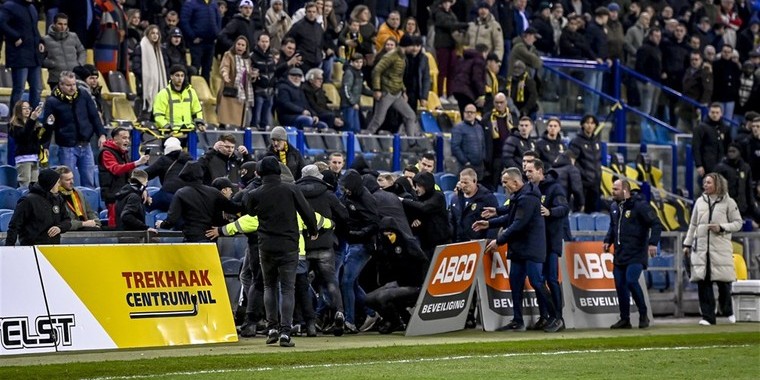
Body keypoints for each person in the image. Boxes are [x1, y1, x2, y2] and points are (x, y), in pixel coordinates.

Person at [474, 167, 558, 332]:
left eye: (505, 182)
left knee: (537, 282)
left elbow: (518, 224)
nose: (504, 185)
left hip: (532, 248)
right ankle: (518, 320)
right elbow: (511, 217)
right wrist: (490, 223)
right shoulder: (520, 196)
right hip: (519, 248)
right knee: (515, 283)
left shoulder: (527, 198)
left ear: (515, 181)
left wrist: (499, 241)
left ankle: (556, 317)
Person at [245, 156, 318, 347]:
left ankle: (272, 329)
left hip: (266, 245)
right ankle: (286, 332)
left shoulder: (256, 193)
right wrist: (313, 230)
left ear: (259, 173)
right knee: (287, 288)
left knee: (269, 286)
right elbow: (307, 212)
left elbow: (250, 211)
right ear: (279, 171)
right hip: (289, 245)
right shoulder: (291, 189)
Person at [683, 173, 743, 325]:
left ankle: (728, 311)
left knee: (723, 283)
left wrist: (721, 227)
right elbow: (693, 225)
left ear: (718, 184)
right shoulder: (699, 202)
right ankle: (708, 317)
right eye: (704, 183)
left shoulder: (729, 202)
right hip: (701, 250)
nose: (705, 185)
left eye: (709, 183)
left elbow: (738, 223)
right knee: (703, 282)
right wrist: (687, 244)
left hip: (720, 249)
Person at [295, 165, 349, 336]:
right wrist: (331, 227)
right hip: (325, 245)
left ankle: (302, 322)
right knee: (330, 282)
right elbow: (344, 215)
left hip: (303, 246)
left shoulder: (295, 193)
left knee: (301, 285)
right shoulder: (328, 194)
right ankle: (339, 312)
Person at [603, 179, 662, 329]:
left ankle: (643, 314)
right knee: (620, 286)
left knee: (631, 281)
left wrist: (653, 243)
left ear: (625, 191)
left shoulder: (640, 206)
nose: (612, 191)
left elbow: (656, 223)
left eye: (615, 189)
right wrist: (607, 241)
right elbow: (613, 226)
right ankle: (625, 319)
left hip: (636, 253)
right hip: (620, 253)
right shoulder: (614, 207)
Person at [42, 71, 108, 188]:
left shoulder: (83, 94)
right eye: (68, 85)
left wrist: (102, 134)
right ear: (61, 85)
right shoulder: (52, 101)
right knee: (67, 182)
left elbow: (94, 116)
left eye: (74, 84)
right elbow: (48, 125)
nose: (72, 88)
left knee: (89, 180)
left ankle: (87, 203)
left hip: (86, 145)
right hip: (67, 147)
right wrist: (45, 146)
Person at [524, 160, 568, 331]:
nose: (527, 174)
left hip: (551, 241)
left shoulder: (554, 188)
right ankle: (545, 317)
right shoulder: (529, 189)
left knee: (551, 279)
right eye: (525, 171)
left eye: (530, 171)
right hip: (537, 243)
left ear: (540, 171)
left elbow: (564, 208)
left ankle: (558, 317)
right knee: (539, 280)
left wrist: (551, 212)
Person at [366, 216, 430, 334]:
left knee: (383, 297)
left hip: (415, 284)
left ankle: (395, 322)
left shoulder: (407, 242)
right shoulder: (385, 246)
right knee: (368, 299)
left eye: (390, 234)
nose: (388, 237)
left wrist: (424, 284)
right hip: (399, 282)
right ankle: (398, 319)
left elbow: (424, 261)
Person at [156, 161, 242, 242]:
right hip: (210, 237)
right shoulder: (213, 192)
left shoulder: (181, 193)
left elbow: (172, 220)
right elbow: (233, 208)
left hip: (191, 238)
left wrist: (162, 224)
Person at [339, 169, 380, 333]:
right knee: (352, 282)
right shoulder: (350, 196)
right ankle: (371, 312)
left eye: (347, 187)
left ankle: (350, 321)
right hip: (352, 243)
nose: (345, 189)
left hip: (363, 245)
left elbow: (374, 223)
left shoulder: (365, 198)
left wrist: (358, 234)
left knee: (347, 281)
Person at [366, 37, 420, 137]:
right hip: (386, 92)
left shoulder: (403, 56)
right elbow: (376, 71)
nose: (414, 48)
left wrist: (403, 91)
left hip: (397, 93)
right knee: (378, 120)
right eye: (412, 46)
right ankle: (365, 138)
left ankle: (411, 142)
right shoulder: (390, 56)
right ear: (407, 45)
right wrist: (377, 89)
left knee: (410, 116)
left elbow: (397, 76)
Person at [98, 127, 150, 227]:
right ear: (115, 139)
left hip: (125, 194)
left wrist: (142, 189)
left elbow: (130, 174)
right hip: (113, 196)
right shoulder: (106, 152)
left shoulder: (123, 153)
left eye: (128, 138)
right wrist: (137, 162)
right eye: (124, 138)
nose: (127, 141)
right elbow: (115, 169)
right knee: (116, 225)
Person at [5, 169, 71, 246]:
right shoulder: (28, 201)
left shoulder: (58, 199)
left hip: (53, 248)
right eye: (57, 182)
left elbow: (67, 220)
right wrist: (9, 248)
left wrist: (60, 228)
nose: (59, 185)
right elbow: (14, 226)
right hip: (31, 248)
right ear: (50, 183)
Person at [0, 0, 45, 110]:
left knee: (37, 88)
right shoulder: (9, 6)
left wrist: (40, 41)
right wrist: (15, 36)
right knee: (19, 88)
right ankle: (15, 121)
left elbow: (34, 29)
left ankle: (32, 119)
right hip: (19, 54)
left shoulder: (32, 7)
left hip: (34, 55)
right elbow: (1, 23)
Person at [401, 172, 451, 259]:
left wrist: (403, 200)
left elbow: (425, 207)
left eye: (419, 186)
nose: (416, 189)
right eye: (415, 186)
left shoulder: (438, 196)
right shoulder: (418, 197)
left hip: (441, 242)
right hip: (426, 243)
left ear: (427, 185)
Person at [153, 64, 206, 137]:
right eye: (177, 75)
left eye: (182, 75)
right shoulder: (163, 94)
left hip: (189, 132)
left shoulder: (191, 92)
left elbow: (197, 111)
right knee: (174, 147)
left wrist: (200, 123)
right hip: (170, 134)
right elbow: (159, 115)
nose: (180, 78)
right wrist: (168, 129)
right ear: (171, 77)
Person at [218, 36, 256, 128]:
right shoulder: (228, 55)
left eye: (243, 45)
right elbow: (225, 67)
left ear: (246, 48)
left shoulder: (247, 59)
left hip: (241, 94)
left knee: (239, 123)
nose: (240, 47)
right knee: (225, 121)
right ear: (235, 45)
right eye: (238, 44)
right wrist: (225, 75)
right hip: (229, 92)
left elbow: (248, 75)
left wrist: (253, 75)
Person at [450, 168, 498, 242]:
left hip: (478, 244)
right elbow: (451, 222)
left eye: (466, 183)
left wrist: (489, 241)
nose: (463, 185)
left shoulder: (487, 198)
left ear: (474, 181)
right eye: (461, 182)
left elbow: (494, 222)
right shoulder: (455, 199)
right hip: (458, 243)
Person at [144, 137, 191, 212]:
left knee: (143, 206)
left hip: (168, 195)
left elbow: (146, 174)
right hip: (187, 199)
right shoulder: (190, 160)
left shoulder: (164, 160)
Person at [131, 24, 169, 118]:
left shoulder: (161, 50)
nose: (155, 35)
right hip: (145, 85)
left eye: (157, 33)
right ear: (147, 34)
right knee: (145, 115)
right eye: (152, 33)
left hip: (159, 87)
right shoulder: (140, 48)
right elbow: (136, 67)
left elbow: (166, 67)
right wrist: (149, 76)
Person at [42, 13, 86, 91]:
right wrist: (51, 64)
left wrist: (79, 64)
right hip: (56, 78)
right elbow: (40, 58)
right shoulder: (45, 40)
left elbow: (82, 51)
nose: (63, 27)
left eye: (65, 24)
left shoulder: (73, 36)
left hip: (74, 78)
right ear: (54, 24)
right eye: (60, 24)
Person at [180, 0, 221, 83]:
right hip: (197, 43)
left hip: (211, 42)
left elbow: (218, 19)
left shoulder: (213, 3)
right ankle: (194, 91)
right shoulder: (190, 3)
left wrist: (217, 34)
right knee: (195, 68)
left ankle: (206, 91)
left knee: (207, 69)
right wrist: (192, 36)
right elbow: (184, 21)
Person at [569, 114, 603, 212]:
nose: (589, 125)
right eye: (587, 123)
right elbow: (572, 161)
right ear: (582, 125)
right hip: (582, 184)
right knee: (579, 212)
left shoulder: (597, 141)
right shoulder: (576, 141)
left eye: (592, 123)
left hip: (595, 183)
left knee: (593, 213)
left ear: (595, 125)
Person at [9, 101, 45, 187]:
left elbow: (41, 139)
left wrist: (49, 124)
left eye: (28, 108)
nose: (27, 110)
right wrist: (32, 119)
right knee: (25, 184)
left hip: (35, 158)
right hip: (23, 159)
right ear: (18, 110)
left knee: (35, 185)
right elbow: (24, 137)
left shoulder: (33, 124)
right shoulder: (14, 125)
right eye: (24, 108)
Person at [56, 165, 101, 231]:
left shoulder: (78, 192)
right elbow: (62, 222)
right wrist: (83, 224)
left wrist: (96, 223)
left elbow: (90, 212)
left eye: (72, 178)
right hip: (70, 229)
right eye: (68, 180)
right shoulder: (56, 196)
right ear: (59, 182)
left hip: (85, 226)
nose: (72, 182)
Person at [678, 51, 714, 132]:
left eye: (696, 59)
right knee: (680, 131)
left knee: (696, 132)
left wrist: (702, 105)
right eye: (692, 59)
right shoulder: (688, 71)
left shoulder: (705, 72)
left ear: (701, 60)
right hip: (685, 106)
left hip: (696, 107)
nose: (694, 61)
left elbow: (707, 90)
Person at [285, 2, 324, 74]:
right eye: (309, 11)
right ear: (305, 12)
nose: (311, 14)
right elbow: (287, 40)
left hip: (317, 60)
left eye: (313, 12)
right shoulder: (298, 26)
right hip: (304, 62)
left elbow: (321, 42)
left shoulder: (319, 27)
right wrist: (295, 56)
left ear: (316, 13)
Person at [694, 103, 731, 178]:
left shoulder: (725, 128)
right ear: (709, 113)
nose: (715, 115)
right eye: (712, 112)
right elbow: (696, 147)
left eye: (717, 113)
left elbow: (729, 146)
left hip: (722, 165)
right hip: (706, 165)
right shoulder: (701, 128)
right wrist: (699, 165)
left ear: (721, 114)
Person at [450, 44, 489, 115]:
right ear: (484, 52)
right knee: (470, 115)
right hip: (467, 91)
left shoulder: (463, 59)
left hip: (457, 89)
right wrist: (481, 94)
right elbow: (477, 78)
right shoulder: (479, 60)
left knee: (464, 114)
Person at [93, 0, 129, 75]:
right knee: (105, 73)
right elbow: (94, 24)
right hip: (105, 43)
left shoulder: (117, 6)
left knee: (115, 71)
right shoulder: (101, 3)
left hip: (117, 45)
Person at [451, 104, 487, 177]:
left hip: (479, 166)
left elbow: (483, 144)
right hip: (465, 166)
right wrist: (465, 162)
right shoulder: (458, 128)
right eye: (467, 112)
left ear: (475, 114)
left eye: (472, 112)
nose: (469, 114)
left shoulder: (479, 127)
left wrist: (483, 157)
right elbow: (455, 146)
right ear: (464, 113)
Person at [250, 33, 277, 130]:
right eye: (262, 41)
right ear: (258, 42)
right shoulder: (252, 56)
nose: (264, 44)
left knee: (266, 121)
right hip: (258, 91)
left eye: (266, 42)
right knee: (256, 118)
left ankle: (265, 141)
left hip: (270, 92)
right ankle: (253, 139)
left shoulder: (271, 56)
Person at [340, 54, 372, 133]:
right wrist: (353, 102)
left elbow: (361, 88)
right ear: (352, 62)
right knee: (349, 127)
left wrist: (373, 93)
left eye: (361, 62)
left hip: (355, 105)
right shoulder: (349, 72)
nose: (359, 64)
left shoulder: (359, 73)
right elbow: (346, 89)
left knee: (356, 129)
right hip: (348, 105)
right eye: (357, 62)